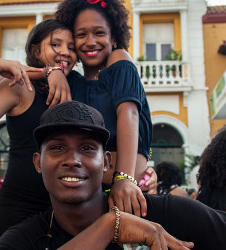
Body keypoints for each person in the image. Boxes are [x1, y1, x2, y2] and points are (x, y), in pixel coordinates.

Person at [0, 101, 226, 250]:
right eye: (57, 149)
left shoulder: (167, 212)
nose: (72, 160)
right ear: (38, 162)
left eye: (87, 148)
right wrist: (110, 225)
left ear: (107, 162)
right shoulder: (23, 239)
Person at [0, 19, 157, 241]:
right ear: (35, 49)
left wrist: (137, 174)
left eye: (70, 47)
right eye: (56, 45)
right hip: (20, 211)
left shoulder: (77, 88)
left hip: (67, 217)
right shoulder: (20, 86)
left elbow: (97, 153)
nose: (65, 53)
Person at [54, 0, 153, 219]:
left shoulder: (119, 60)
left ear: (114, 37)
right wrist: (54, 71)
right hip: (84, 200)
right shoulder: (71, 83)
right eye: (81, 35)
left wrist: (124, 178)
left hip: (125, 196)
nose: (90, 42)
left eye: (99, 33)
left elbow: (129, 114)